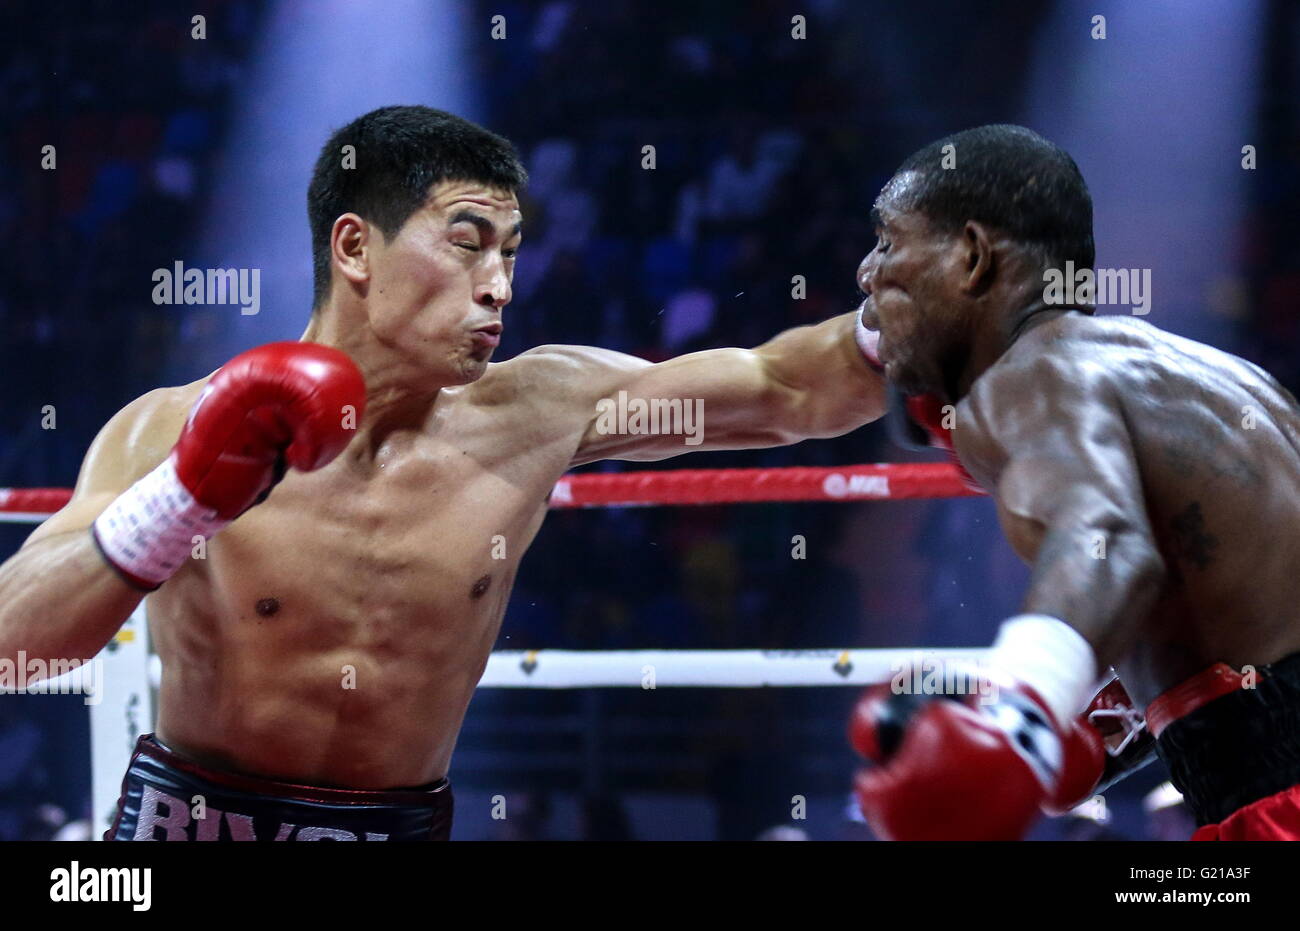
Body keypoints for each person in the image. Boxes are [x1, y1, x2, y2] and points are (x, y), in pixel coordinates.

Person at [0, 106, 887, 841]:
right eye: (468, 244)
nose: (500, 285)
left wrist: (900, 320)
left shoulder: (541, 409)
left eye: (511, 250)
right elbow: (11, 649)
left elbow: (789, 388)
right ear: (355, 248)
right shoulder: (170, 427)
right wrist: (180, 500)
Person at [848, 124, 1300, 841]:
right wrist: (1103, 720)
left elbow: (1108, 540)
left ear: (972, 256)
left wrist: (1018, 715)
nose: (866, 273)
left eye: (886, 241)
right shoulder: (1225, 382)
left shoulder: (1028, 373)